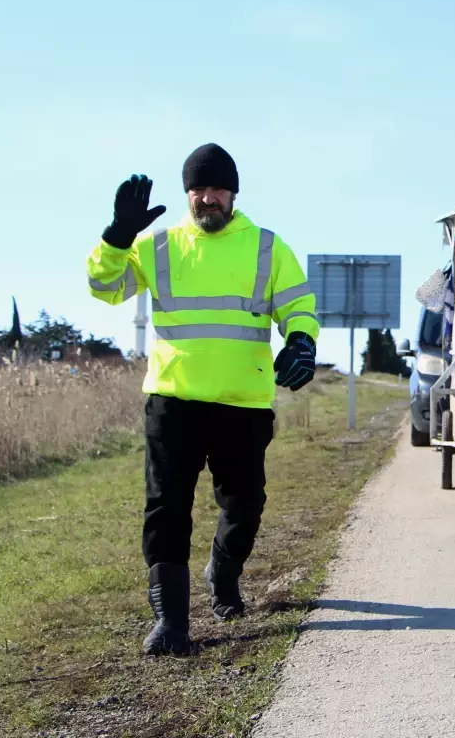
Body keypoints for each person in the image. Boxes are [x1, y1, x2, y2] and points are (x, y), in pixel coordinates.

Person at [86, 143, 320, 656]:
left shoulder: (266, 246)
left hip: (243, 402)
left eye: (216, 189)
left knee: (245, 502)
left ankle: (223, 570)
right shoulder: (159, 246)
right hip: (174, 401)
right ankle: (171, 622)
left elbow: (299, 305)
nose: (207, 198)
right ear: (187, 195)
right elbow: (103, 287)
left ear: (233, 193)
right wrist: (117, 235)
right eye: (198, 190)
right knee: (166, 507)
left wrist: (301, 340)